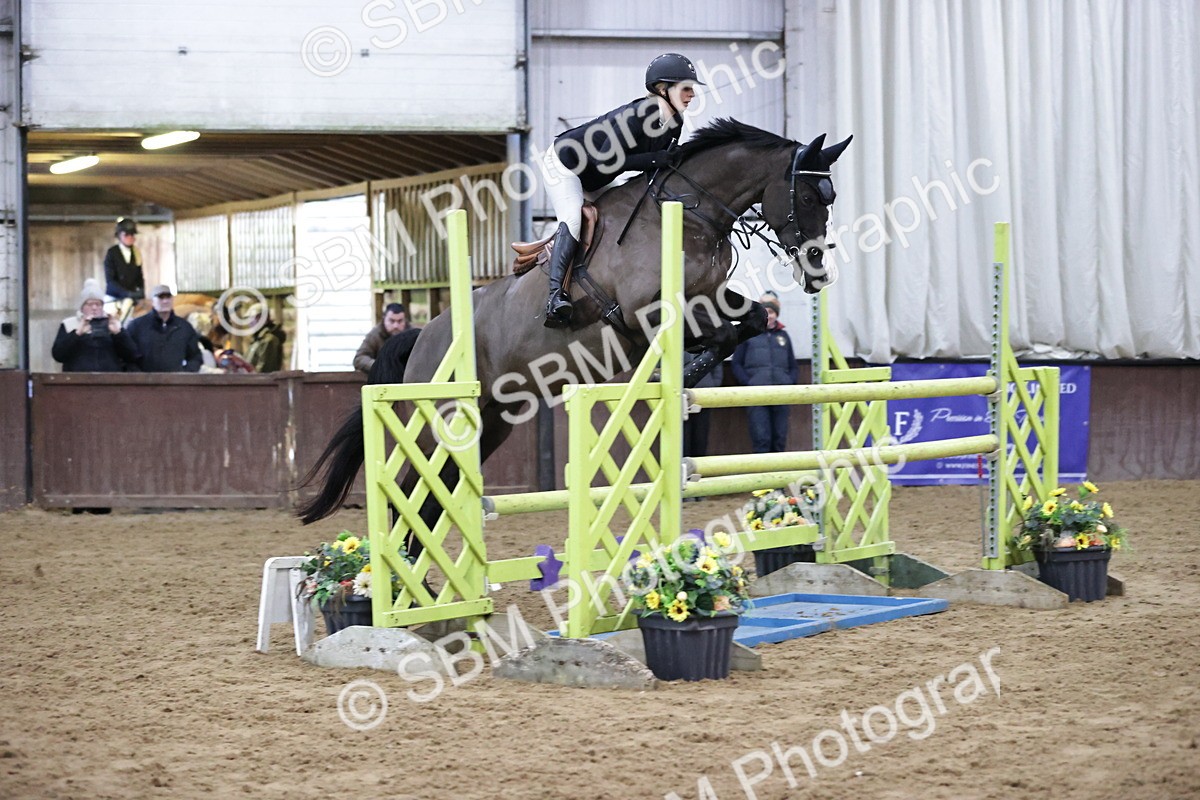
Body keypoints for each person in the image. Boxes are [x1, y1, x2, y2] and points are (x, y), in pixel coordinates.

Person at [541, 53, 704, 328]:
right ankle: (555, 296)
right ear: (662, 89)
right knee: (572, 218)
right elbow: (607, 159)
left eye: (692, 89)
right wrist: (655, 160)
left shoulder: (675, 123)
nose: (692, 95)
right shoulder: (638, 115)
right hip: (566, 166)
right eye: (685, 88)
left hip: (598, 176)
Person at [731, 292, 798, 453]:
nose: (770, 316)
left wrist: (789, 382)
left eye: (772, 312)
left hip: (781, 394)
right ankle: (762, 477)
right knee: (761, 438)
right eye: (766, 313)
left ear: (777, 314)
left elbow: (793, 365)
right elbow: (737, 364)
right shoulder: (748, 335)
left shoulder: (784, 337)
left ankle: (779, 476)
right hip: (757, 395)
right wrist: (749, 383)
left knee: (780, 438)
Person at [52, 278, 139, 372]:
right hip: (77, 382)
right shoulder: (69, 324)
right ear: (82, 307)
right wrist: (77, 334)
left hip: (109, 382)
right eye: (89, 304)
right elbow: (58, 355)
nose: (94, 308)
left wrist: (118, 334)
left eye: (98, 304)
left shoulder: (113, 324)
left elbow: (132, 356)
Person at [125, 284, 202, 372]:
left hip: (175, 383)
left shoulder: (184, 327)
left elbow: (195, 356)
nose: (165, 301)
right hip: (145, 383)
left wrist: (185, 374)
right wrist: (139, 377)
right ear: (152, 301)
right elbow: (127, 355)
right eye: (161, 297)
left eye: (168, 297)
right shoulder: (137, 326)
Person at [353, 302, 409, 374]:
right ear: (384, 319)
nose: (396, 326)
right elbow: (359, 359)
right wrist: (379, 366)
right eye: (392, 321)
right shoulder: (375, 335)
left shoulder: (413, 335)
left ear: (405, 320)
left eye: (400, 321)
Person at [103, 218, 145, 303]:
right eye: (126, 235)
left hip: (131, 296)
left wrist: (141, 291)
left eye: (132, 235)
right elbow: (110, 280)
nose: (130, 237)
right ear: (119, 235)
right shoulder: (112, 253)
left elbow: (139, 276)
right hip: (114, 296)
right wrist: (125, 293)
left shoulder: (136, 252)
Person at [246, 304, 287, 373]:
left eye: (253, 318)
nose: (250, 322)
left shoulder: (269, 340)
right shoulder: (257, 340)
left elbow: (265, 370)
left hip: (261, 382)